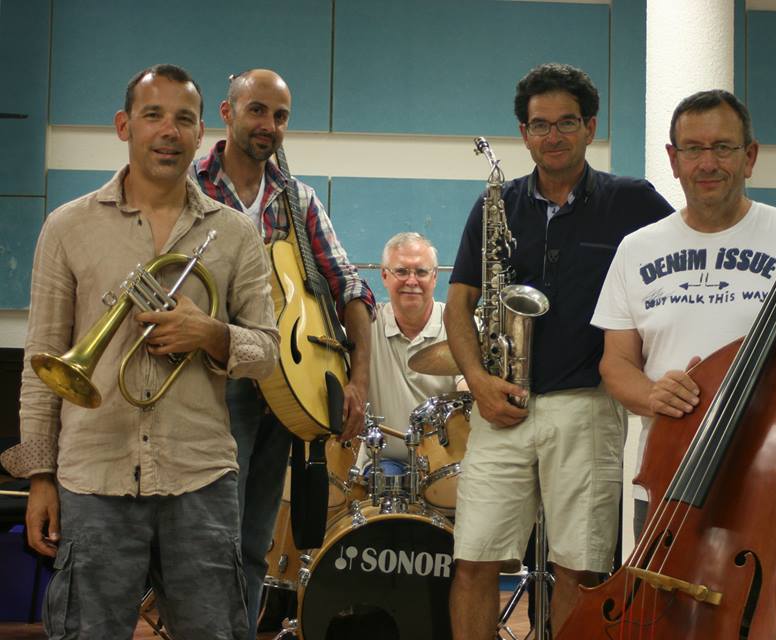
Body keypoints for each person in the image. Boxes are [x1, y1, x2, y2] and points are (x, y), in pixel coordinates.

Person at [0, 64, 279, 639]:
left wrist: (212, 335)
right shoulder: (67, 227)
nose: (168, 131)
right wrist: (40, 477)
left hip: (200, 476)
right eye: (153, 115)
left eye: (184, 119)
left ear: (203, 133)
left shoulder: (234, 234)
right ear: (125, 125)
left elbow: (269, 352)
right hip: (93, 476)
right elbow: (42, 365)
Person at [445, 63, 673, 638]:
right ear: (523, 132)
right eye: (539, 124)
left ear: (590, 127)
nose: (553, 136)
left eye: (566, 122)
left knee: (582, 564)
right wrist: (476, 380)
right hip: (502, 404)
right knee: (473, 559)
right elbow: (457, 305)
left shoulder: (634, 200)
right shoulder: (496, 204)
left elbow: (684, 258)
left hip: (588, 405)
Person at [591, 89, 776, 539]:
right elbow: (616, 363)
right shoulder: (636, 248)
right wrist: (653, 393)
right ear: (674, 159)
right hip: (667, 478)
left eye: (723, 147)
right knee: (660, 609)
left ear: (750, 156)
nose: (707, 163)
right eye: (693, 149)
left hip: (773, 474)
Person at [190, 68, 375, 638]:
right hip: (212, 384)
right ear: (226, 112)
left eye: (281, 116)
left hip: (287, 384)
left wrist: (359, 380)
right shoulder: (190, 186)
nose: (270, 126)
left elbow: (348, 286)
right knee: (209, 540)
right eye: (257, 111)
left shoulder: (297, 198)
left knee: (253, 542)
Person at [366, 231, 458, 470]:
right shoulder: (366, 326)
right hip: (383, 462)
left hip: (446, 464)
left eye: (421, 272)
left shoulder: (461, 326)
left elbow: (469, 393)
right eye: (402, 271)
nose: (412, 281)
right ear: (384, 275)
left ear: (435, 277)